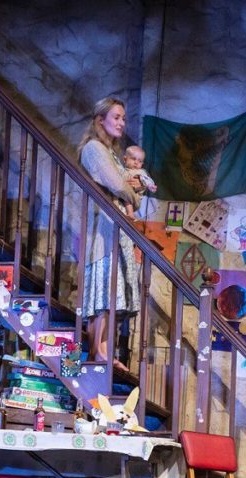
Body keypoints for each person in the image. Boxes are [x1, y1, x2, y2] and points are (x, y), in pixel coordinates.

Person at [77, 97, 142, 371]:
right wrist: (131, 195)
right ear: (100, 119)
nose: (121, 123)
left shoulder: (111, 152)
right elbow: (118, 184)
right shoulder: (94, 148)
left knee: (113, 292)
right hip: (102, 230)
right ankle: (96, 351)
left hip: (114, 228)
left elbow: (127, 185)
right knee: (103, 290)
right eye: (116, 117)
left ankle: (104, 348)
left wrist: (129, 190)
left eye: (123, 118)